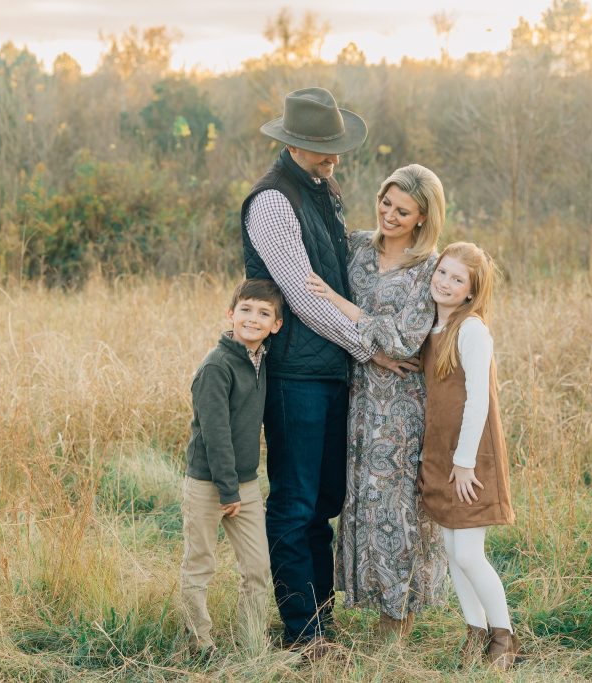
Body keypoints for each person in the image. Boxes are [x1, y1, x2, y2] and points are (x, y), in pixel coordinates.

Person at [242, 87, 403, 651]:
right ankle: (302, 633)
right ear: (292, 144)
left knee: (324, 503)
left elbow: (339, 277)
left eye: (335, 148)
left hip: (331, 370)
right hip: (295, 376)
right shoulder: (271, 202)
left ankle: (321, 622)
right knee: (295, 502)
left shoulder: (321, 189)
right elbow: (303, 296)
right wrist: (369, 346)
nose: (333, 158)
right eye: (321, 149)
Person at [305, 164, 449, 636]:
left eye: (402, 210)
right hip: (355, 395)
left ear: (423, 217)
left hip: (401, 405)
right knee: (360, 500)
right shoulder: (355, 248)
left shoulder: (429, 267)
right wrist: (358, 334)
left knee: (395, 505)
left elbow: (402, 340)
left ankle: (399, 613)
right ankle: (371, 600)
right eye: (385, 202)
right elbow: (330, 316)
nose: (389, 214)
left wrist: (342, 305)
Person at [418, 242, 519, 670]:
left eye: (458, 280)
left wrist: (463, 462)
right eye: (443, 272)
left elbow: (479, 398)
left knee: (467, 554)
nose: (445, 282)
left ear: (470, 292)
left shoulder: (471, 329)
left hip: (468, 456)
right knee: (449, 548)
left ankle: (504, 637)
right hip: (439, 452)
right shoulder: (431, 328)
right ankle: (474, 631)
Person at [180, 278, 284, 656]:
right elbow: (215, 434)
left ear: (276, 324)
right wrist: (228, 490)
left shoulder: (261, 361)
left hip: (246, 484)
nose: (253, 318)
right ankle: (199, 643)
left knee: (257, 567)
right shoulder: (216, 366)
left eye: (263, 313)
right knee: (200, 565)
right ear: (231, 314)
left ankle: (250, 641)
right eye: (246, 309)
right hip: (210, 484)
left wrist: (240, 487)